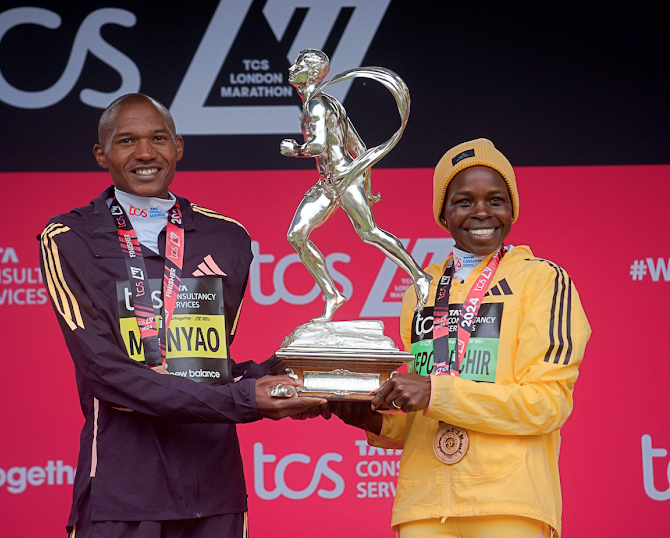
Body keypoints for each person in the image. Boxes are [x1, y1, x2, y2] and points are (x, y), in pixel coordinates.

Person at [39, 93, 325, 538]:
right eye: (126, 141)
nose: (146, 153)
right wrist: (247, 400)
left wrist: (287, 373)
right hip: (122, 492)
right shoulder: (69, 236)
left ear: (179, 146)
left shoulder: (228, 237)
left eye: (158, 138)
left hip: (214, 489)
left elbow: (207, 369)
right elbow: (104, 372)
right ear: (102, 154)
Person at [332, 138, 590, 537]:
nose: (482, 211)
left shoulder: (542, 280)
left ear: (512, 208)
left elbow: (547, 404)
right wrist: (373, 419)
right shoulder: (420, 291)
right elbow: (423, 413)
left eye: (496, 200)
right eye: (464, 201)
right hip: (424, 505)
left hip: (508, 500)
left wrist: (437, 392)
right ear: (444, 213)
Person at [280, 49, 430, 322]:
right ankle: (332, 295)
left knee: (369, 232)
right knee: (296, 235)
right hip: (330, 183)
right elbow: (358, 147)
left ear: (311, 73)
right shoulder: (331, 104)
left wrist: (294, 150)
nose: (292, 67)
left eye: (299, 64)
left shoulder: (317, 106)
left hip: (343, 180)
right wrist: (368, 186)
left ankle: (420, 276)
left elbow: (316, 146)